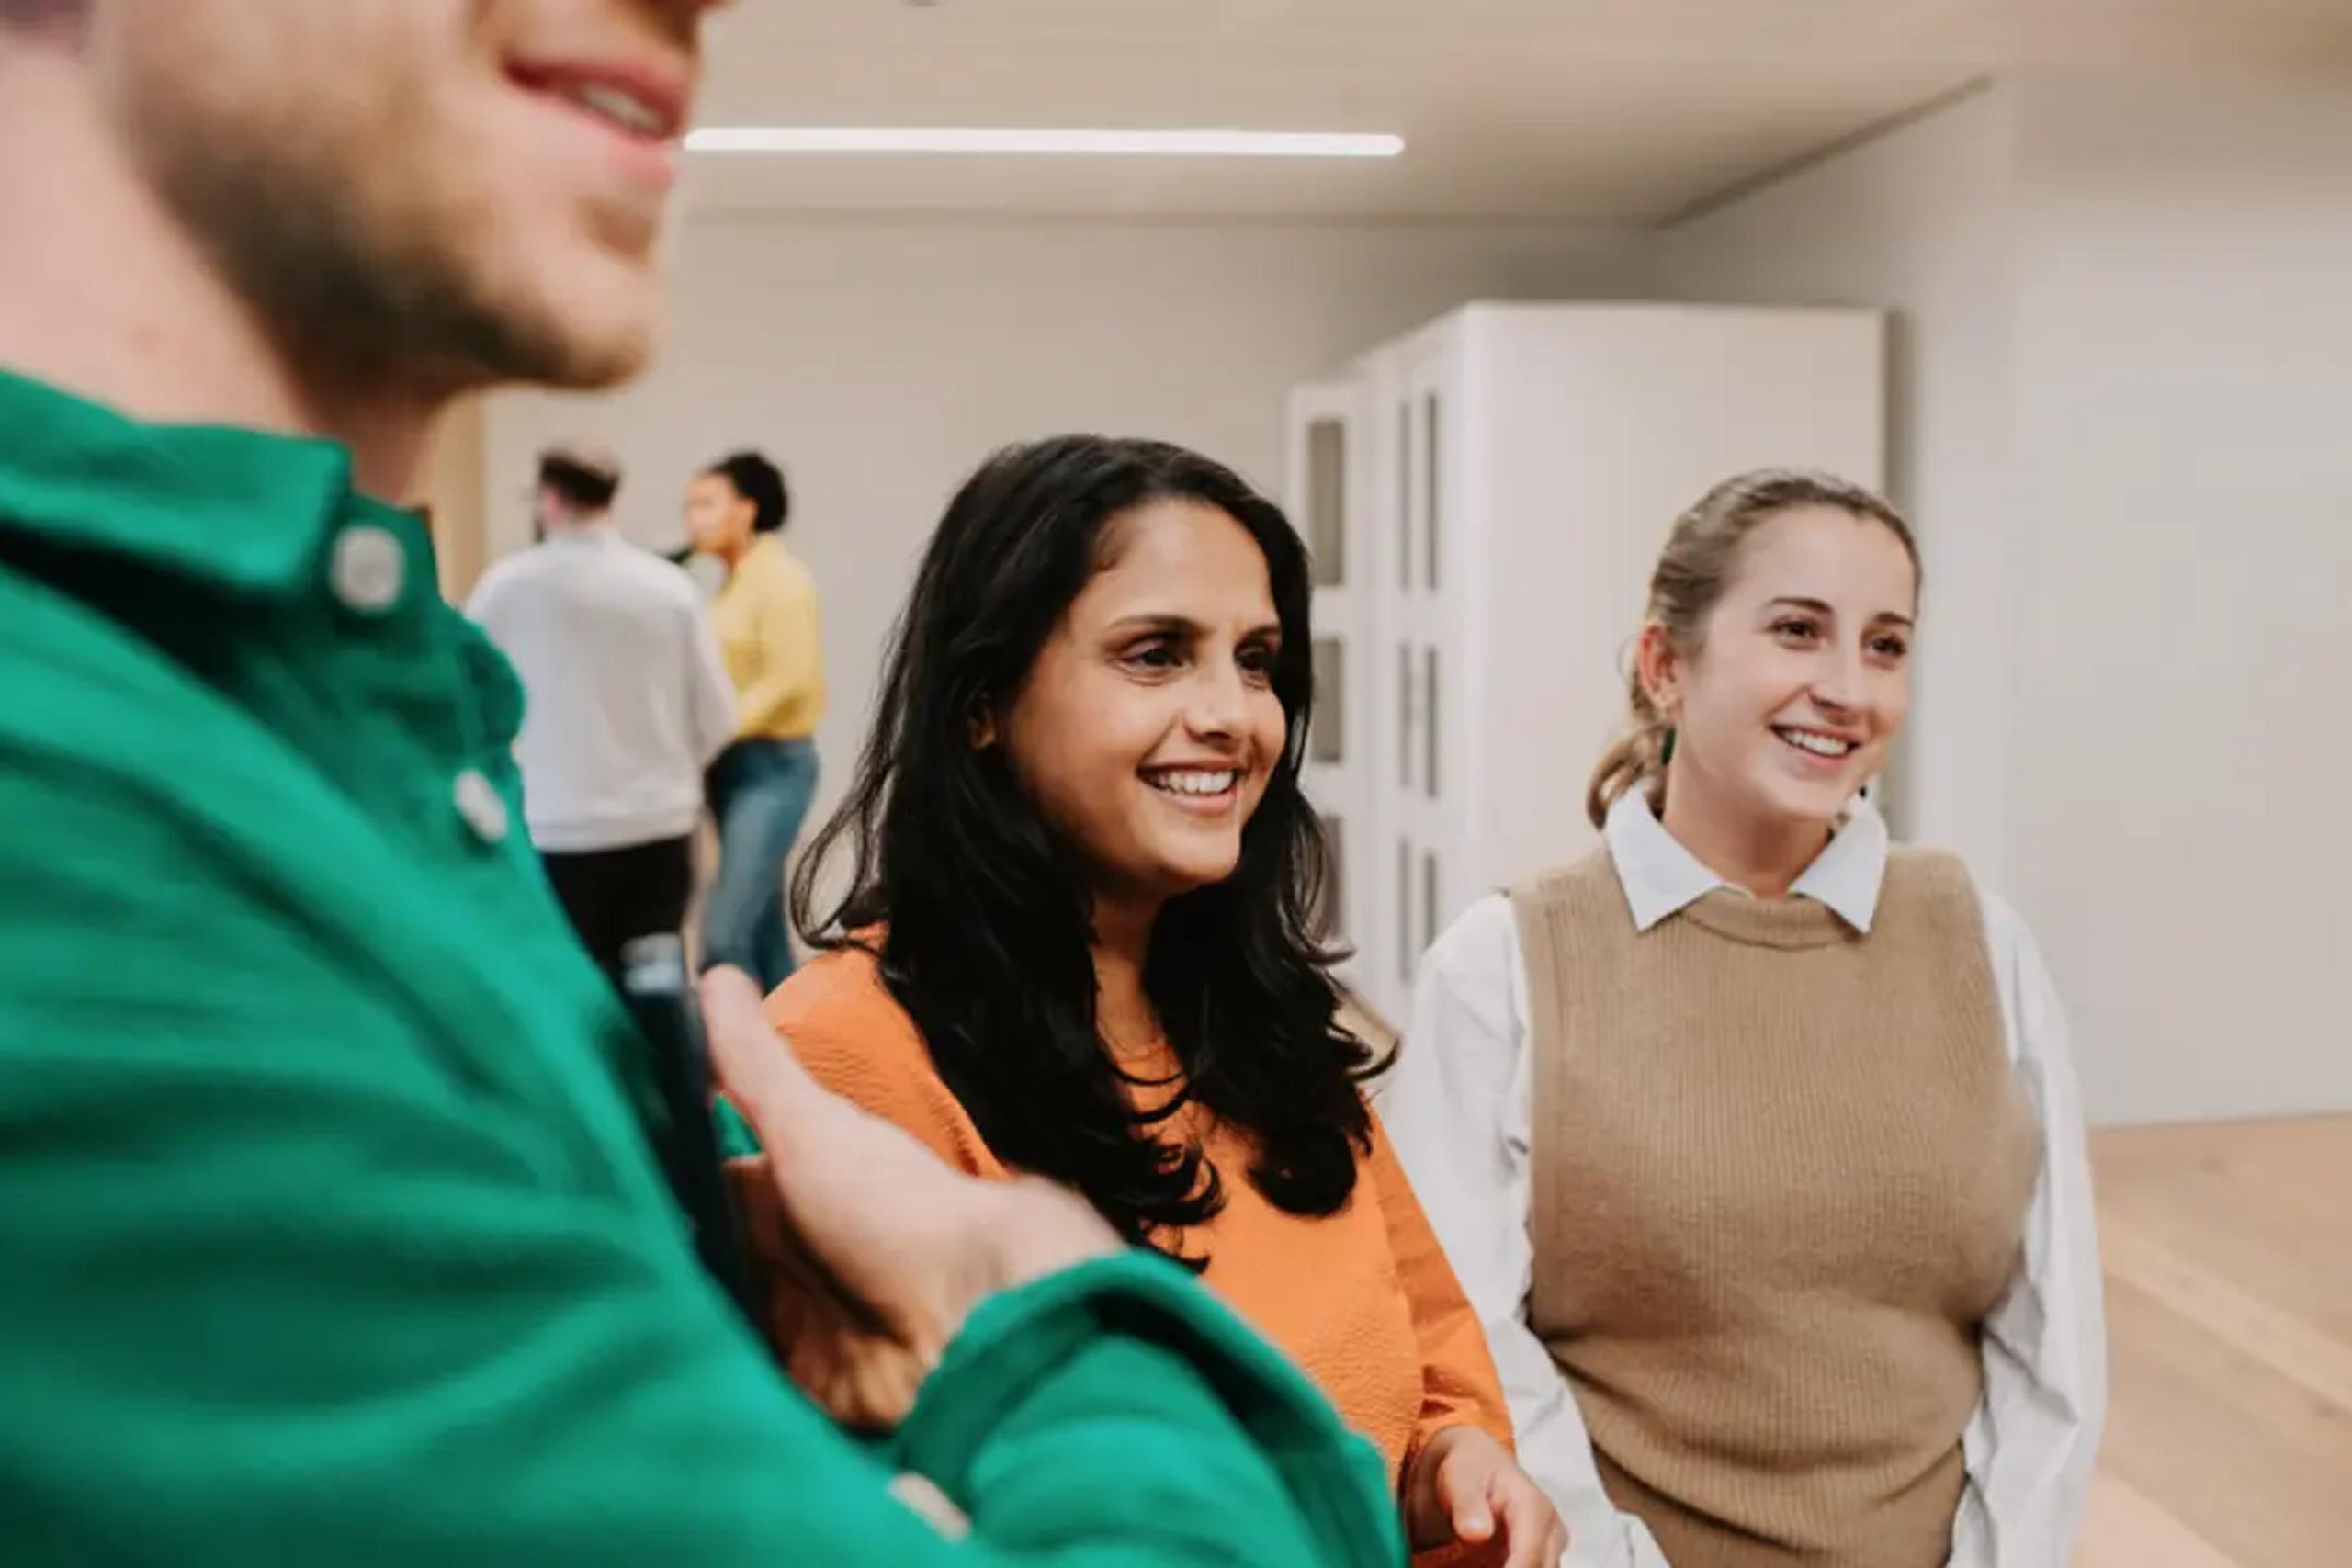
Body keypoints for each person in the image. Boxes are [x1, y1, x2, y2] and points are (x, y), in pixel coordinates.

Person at [0, 4, 1407, 1563]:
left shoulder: (364, 741)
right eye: (1156, 653)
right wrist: (1027, 1288)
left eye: (1258, 659)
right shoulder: (74, 839)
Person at [755, 434, 1568, 1568]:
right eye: (1155, 655)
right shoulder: (841, 1059)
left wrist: (1451, 1466)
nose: (1234, 714)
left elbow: (1432, 1359)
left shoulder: (1271, 1028)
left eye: (1257, 660)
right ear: (983, 701)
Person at [1381, 470, 2107, 1568]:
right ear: (1664, 665)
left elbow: (2052, 1341)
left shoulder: (1980, 943)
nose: (1847, 688)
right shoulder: (1503, 968)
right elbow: (1467, 1348)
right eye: (1797, 631)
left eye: (1886, 645)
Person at [467, 444, 736, 987]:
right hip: (658, 828)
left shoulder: (506, 587)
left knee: (570, 992)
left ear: (551, 499)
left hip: (554, 829)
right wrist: (669, 772)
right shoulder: (669, 587)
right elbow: (720, 717)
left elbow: (464, 697)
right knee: (656, 990)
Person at [684, 449, 825, 988]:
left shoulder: (782, 580)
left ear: (746, 509)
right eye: (689, 506)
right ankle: (792, 1052)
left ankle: (727, 1061)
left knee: (724, 936)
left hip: (771, 768)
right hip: (730, 765)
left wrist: (710, 732)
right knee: (762, 931)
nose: (693, 518)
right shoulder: (729, 582)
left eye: (706, 503)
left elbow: (791, 680)